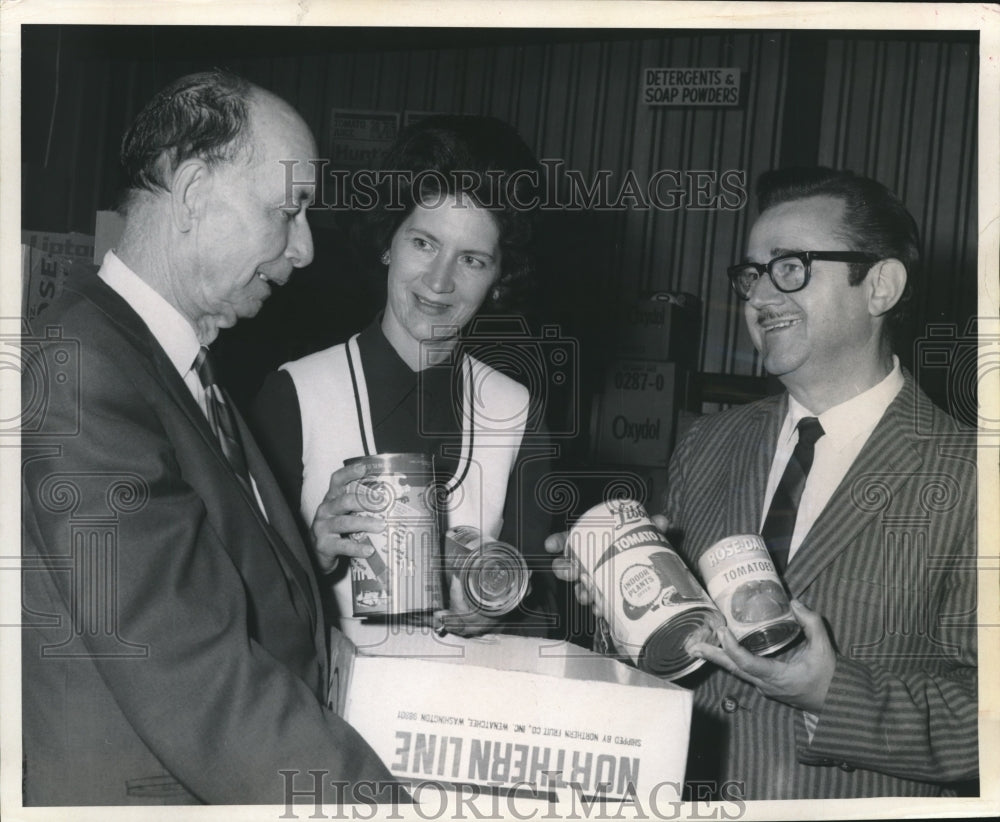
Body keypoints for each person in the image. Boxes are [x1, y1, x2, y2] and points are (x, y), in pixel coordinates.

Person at [20, 70, 400, 805]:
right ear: (194, 194)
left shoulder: (167, 361)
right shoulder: (80, 369)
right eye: (287, 211)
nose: (305, 248)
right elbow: (193, 674)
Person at [547, 168, 978, 799]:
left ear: (880, 286)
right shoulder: (707, 443)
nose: (758, 297)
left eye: (790, 268)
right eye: (752, 274)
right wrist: (624, 609)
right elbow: (672, 668)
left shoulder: (972, 476)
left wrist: (831, 692)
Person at [251, 115, 556, 646]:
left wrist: (500, 612)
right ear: (389, 242)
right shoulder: (294, 395)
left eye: (472, 260)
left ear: (500, 279)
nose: (439, 281)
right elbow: (239, 599)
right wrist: (311, 555)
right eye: (424, 243)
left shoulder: (516, 412)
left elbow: (541, 609)